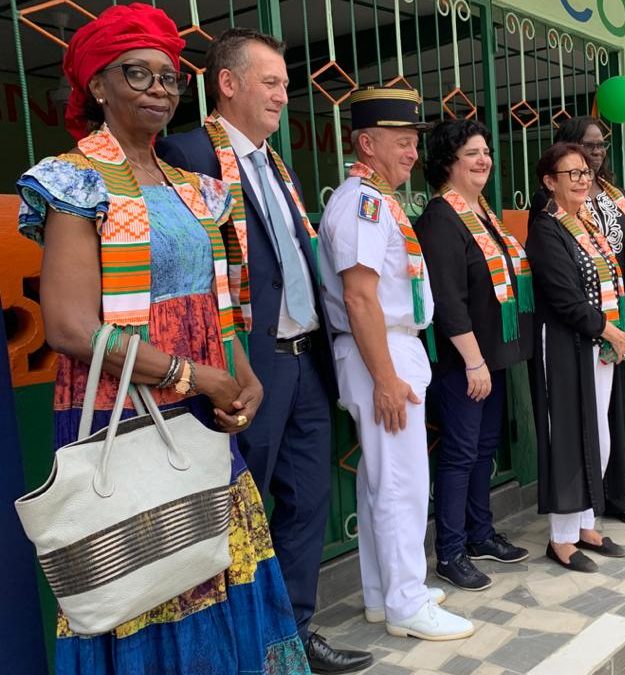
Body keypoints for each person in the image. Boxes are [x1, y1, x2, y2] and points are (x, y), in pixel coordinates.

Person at [15, 5, 310, 672]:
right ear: (97, 86)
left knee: (214, 559)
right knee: (144, 575)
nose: (158, 87)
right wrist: (194, 376)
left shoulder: (196, 189)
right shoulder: (74, 180)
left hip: (203, 414)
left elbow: (220, 304)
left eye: (170, 77)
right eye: (136, 73)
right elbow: (66, 324)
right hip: (122, 407)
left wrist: (244, 375)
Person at [156, 28, 372, 673]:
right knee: (234, 510)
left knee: (306, 501)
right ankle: (236, 646)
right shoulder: (187, 153)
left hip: (303, 360)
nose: (284, 95)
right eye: (271, 82)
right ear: (228, 83)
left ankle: (294, 636)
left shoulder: (278, 166)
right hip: (244, 366)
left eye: (284, 83)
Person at [318, 86, 474, 640]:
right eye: (402, 142)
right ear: (367, 142)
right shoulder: (361, 202)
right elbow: (359, 297)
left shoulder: (377, 199)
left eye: (413, 142)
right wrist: (385, 377)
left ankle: (386, 593)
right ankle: (407, 603)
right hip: (380, 350)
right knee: (402, 483)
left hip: (389, 346)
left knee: (382, 480)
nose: (412, 153)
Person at [414, 119, 532, 592]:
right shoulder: (442, 219)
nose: (484, 160)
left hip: (491, 359)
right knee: (461, 455)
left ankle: (481, 535)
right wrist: (473, 361)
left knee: (483, 449)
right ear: (449, 162)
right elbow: (447, 299)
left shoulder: (480, 213)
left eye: (486, 152)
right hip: (463, 363)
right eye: (472, 153)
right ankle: (451, 551)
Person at [527, 142, 625, 573]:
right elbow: (565, 297)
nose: (583, 179)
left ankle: (587, 522)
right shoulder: (546, 230)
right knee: (569, 435)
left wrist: (613, 332)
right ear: (550, 182)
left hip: (598, 345)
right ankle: (561, 537)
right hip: (567, 344)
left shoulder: (586, 223)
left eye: (586, 172)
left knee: (599, 432)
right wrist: (609, 330)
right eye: (572, 173)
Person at [551, 116, 625, 526]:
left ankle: (617, 494)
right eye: (589, 146)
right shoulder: (558, 199)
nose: (597, 152)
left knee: (615, 409)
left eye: (601, 145)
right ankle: (586, 499)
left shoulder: (614, 194)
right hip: (581, 317)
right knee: (587, 413)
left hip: (617, 315)